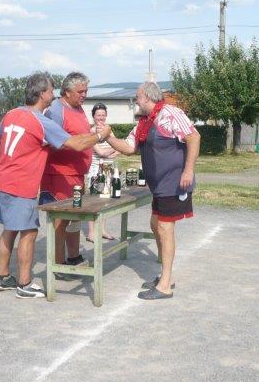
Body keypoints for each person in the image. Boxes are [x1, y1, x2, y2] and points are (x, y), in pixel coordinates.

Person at [0, 72, 111, 298]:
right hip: (21, 185)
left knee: (9, 229)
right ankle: (24, 284)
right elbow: (75, 143)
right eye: (50, 91)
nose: (53, 95)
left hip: (2, 181)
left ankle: (3, 277)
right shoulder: (41, 120)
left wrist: (1, 168)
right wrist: (100, 135)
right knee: (29, 232)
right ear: (42, 94)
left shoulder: (12, 113)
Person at [105, 81, 200, 300]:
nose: (135, 101)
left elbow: (194, 137)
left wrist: (188, 170)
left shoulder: (171, 113)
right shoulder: (145, 122)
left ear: (147, 97)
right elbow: (129, 147)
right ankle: (167, 276)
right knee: (155, 224)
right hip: (158, 185)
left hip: (174, 182)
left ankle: (165, 285)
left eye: (137, 97)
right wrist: (108, 136)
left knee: (165, 227)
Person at [39, 72, 96, 274]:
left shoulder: (79, 108)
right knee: (60, 220)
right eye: (80, 91)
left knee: (75, 217)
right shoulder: (56, 110)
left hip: (77, 175)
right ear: (67, 92)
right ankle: (59, 263)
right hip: (59, 175)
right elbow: (52, 141)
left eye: (86, 91)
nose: (84, 95)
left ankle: (73, 256)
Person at [86, 102, 120, 243]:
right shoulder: (91, 132)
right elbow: (101, 152)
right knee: (93, 201)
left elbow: (119, 149)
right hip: (95, 171)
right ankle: (91, 233)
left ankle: (102, 230)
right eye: (98, 115)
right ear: (93, 116)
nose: (101, 117)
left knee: (105, 201)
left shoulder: (108, 130)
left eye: (103, 115)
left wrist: (112, 151)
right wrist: (112, 150)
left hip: (108, 171)